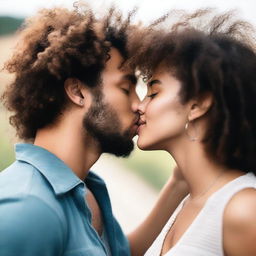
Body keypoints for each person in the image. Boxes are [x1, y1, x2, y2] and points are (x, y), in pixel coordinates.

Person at [0, 5, 188, 256]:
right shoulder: (27, 208)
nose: (138, 105)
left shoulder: (86, 188)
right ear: (78, 92)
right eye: (126, 88)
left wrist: (179, 182)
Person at [133, 9, 256, 256]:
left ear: (197, 104)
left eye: (154, 93)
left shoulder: (244, 209)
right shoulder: (189, 201)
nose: (140, 106)